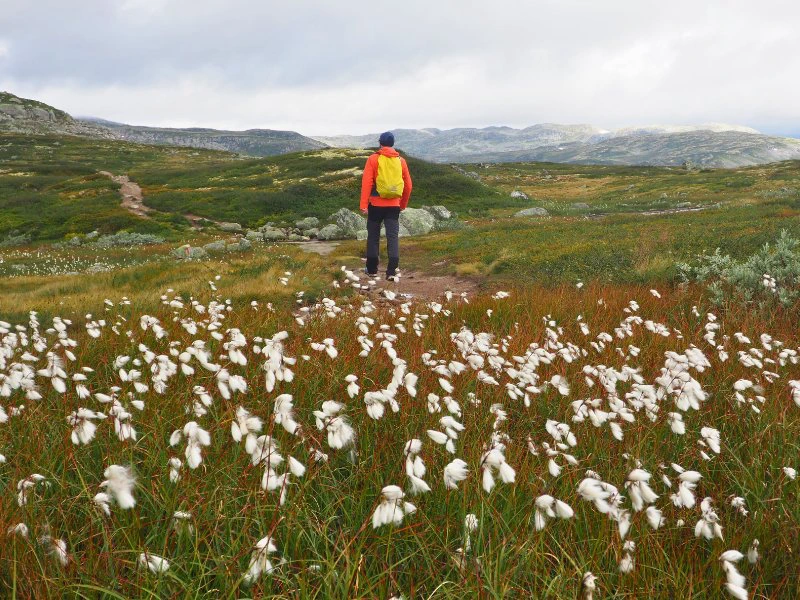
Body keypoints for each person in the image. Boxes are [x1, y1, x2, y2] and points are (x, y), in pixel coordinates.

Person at [360, 131, 413, 280]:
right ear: (393, 143)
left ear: (380, 143)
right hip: (394, 206)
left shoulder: (373, 159)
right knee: (392, 237)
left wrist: (364, 204)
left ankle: (372, 270)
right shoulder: (401, 161)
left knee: (373, 236)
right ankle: (391, 271)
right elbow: (408, 185)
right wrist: (402, 204)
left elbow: (366, 183)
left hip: (375, 205)